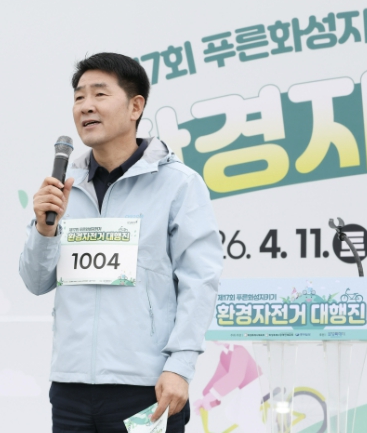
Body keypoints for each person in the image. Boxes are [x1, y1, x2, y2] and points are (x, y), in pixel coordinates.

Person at [19, 52, 223, 432]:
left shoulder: (178, 184)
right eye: (79, 97)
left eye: (99, 94)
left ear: (135, 107)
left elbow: (200, 280)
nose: (86, 106)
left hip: (147, 386)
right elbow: (35, 281)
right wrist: (44, 231)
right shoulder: (65, 187)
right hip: (70, 386)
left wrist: (180, 365)